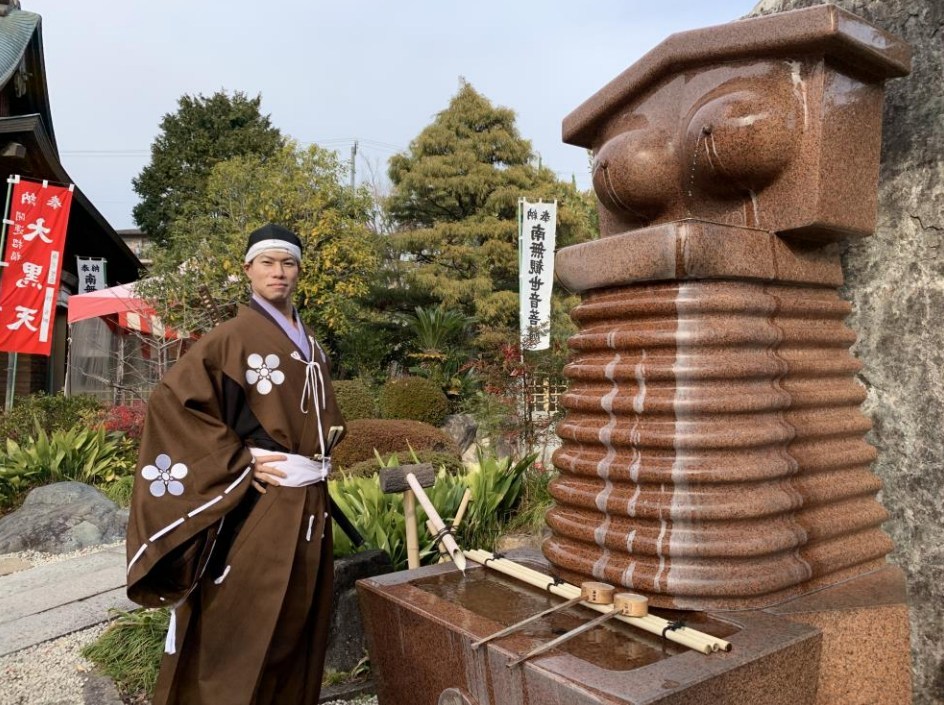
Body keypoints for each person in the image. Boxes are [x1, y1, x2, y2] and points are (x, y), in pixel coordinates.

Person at [125, 224, 346, 705]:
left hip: (310, 503)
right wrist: (239, 457)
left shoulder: (312, 346)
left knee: (296, 626)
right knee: (241, 626)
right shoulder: (232, 338)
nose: (278, 272)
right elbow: (172, 403)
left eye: (288, 263)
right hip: (262, 505)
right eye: (267, 262)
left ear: (299, 271)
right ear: (247, 269)